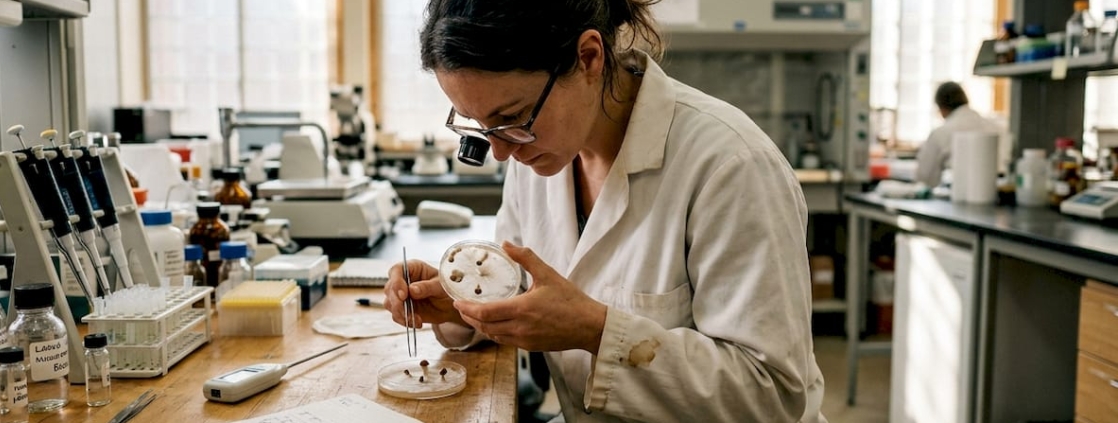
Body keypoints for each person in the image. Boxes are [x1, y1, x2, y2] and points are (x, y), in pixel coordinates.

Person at [383, 1, 826, 421]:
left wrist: (595, 330)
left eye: (513, 116)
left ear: (589, 58)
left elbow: (772, 396)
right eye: (482, 126)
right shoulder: (534, 157)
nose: (500, 151)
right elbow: (519, 292)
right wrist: (464, 304)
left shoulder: (730, 165)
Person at [914, 81, 1000, 188]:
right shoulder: (994, 127)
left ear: (942, 108)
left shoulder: (941, 132)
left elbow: (925, 177)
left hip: (960, 191)